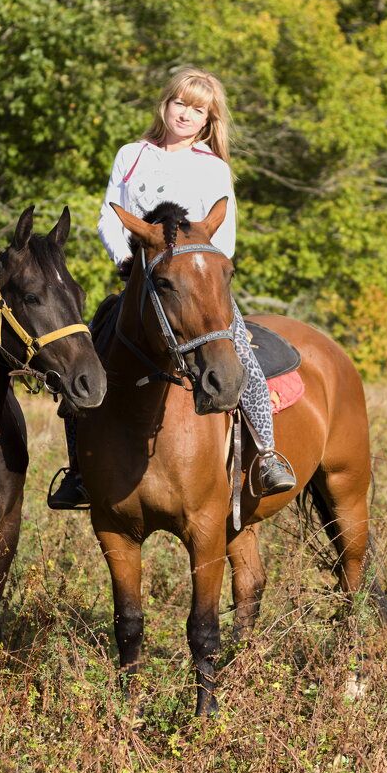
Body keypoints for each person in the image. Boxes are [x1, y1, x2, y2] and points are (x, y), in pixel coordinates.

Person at [48, 67, 297, 509]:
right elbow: (111, 214)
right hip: (144, 283)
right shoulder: (132, 154)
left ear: (208, 120)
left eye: (197, 108)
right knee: (83, 365)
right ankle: (79, 471)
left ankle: (266, 453)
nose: (186, 113)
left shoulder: (213, 167)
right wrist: (123, 256)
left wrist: (200, 270)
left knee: (243, 357)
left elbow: (225, 235)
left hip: (199, 285)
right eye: (180, 103)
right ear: (165, 104)